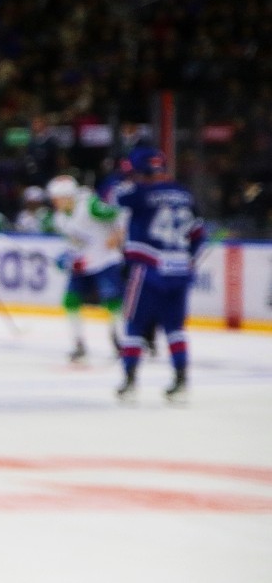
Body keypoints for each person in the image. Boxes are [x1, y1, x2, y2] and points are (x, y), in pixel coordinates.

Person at [113, 148, 205, 401]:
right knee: (175, 328)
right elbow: (198, 235)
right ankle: (181, 381)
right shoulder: (185, 194)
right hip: (179, 270)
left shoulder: (138, 192)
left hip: (147, 268)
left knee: (134, 325)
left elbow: (114, 198)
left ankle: (129, 382)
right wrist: (187, 259)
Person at [45, 175, 124, 362]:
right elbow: (75, 244)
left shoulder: (90, 205)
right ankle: (78, 343)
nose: (54, 202)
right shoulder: (59, 218)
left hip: (105, 260)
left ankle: (119, 340)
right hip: (84, 264)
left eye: (57, 198)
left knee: (113, 301)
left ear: (67, 196)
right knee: (70, 300)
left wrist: (118, 234)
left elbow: (119, 213)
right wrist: (66, 258)